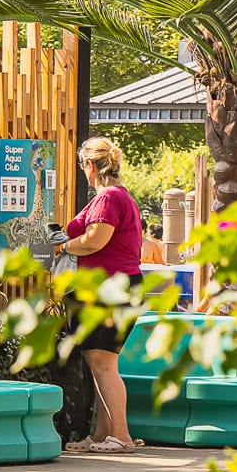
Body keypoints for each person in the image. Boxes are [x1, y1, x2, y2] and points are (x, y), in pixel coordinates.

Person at [54, 137, 143, 453]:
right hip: (114, 286)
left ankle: (121, 436)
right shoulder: (120, 197)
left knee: (103, 364)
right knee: (102, 364)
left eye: (82, 166)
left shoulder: (108, 199)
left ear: (90, 166)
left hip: (108, 289)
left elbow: (95, 241)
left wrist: (63, 247)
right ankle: (104, 434)